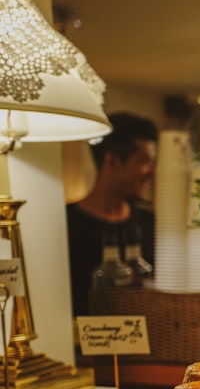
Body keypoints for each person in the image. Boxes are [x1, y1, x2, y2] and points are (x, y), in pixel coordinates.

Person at [66, 112, 158, 317]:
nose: (151, 172)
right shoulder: (66, 224)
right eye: (144, 161)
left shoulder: (150, 222)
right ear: (113, 161)